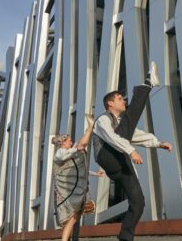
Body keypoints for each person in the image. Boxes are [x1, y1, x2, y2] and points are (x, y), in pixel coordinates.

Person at [92, 62, 163, 241]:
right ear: (110, 103)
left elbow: (134, 135)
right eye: (119, 98)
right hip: (107, 156)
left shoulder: (122, 126)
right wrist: (132, 151)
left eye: (123, 98)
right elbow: (112, 138)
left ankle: (125, 237)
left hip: (120, 164)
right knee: (129, 119)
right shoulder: (103, 120)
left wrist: (158, 144)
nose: (123, 100)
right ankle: (146, 84)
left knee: (138, 201)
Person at [52, 116, 102, 241]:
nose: (70, 141)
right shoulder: (60, 153)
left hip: (68, 192)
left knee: (72, 218)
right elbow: (81, 145)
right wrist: (90, 129)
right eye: (69, 140)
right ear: (63, 143)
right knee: (72, 218)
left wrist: (95, 174)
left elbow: (77, 171)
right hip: (66, 193)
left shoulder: (68, 153)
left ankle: (68, 239)